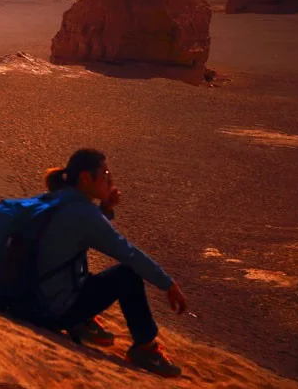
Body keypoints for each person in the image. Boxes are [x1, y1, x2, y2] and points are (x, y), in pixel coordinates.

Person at [37, 148, 188, 378]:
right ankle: (145, 348)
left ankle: (83, 320)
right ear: (86, 178)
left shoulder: (56, 197)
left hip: (30, 297)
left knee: (75, 261)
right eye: (105, 174)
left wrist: (105, 210)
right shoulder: (84, 213)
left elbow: (82, 234)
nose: (110, 180)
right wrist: (168, 285)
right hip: (51, 310)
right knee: (127, 275)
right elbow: (128, 253)